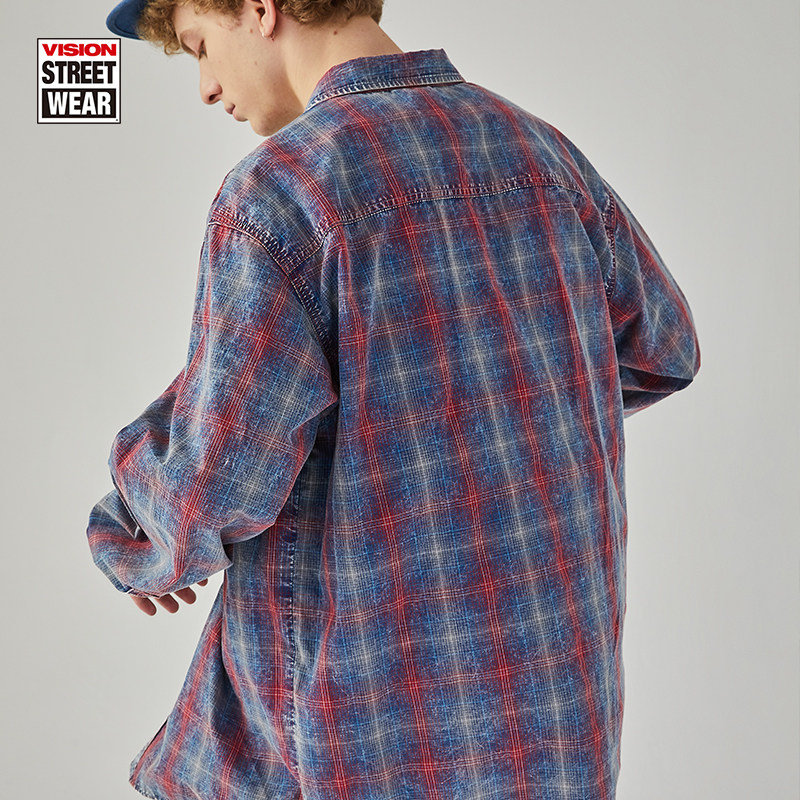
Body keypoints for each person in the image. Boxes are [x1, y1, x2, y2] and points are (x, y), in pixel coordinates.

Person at [87, 1, 701, 798]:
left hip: (359, 736)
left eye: (201, 47)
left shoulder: (281, 193)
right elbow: (662, 349)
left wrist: (129, 533)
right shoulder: (542, 155)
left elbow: (213, 485)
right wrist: (513, 404)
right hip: (555, 724)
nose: (206, 86)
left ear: (258, 8)